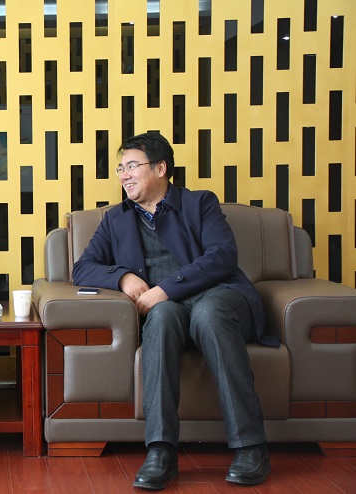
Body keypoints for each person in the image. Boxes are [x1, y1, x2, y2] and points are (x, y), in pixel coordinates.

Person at [73, 132, 272, 490]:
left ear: (160, 168)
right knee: (162, 318)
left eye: (132, 166)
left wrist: (167, 288)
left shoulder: (200, 203)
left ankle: (251, 447)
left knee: (208, 314)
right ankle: (161, 452)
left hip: (219, 297)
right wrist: (123, 277)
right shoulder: (116, 219)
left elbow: (222, 256)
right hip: (169, 310)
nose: (123, 175)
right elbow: (82, 268)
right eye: (120, 168)